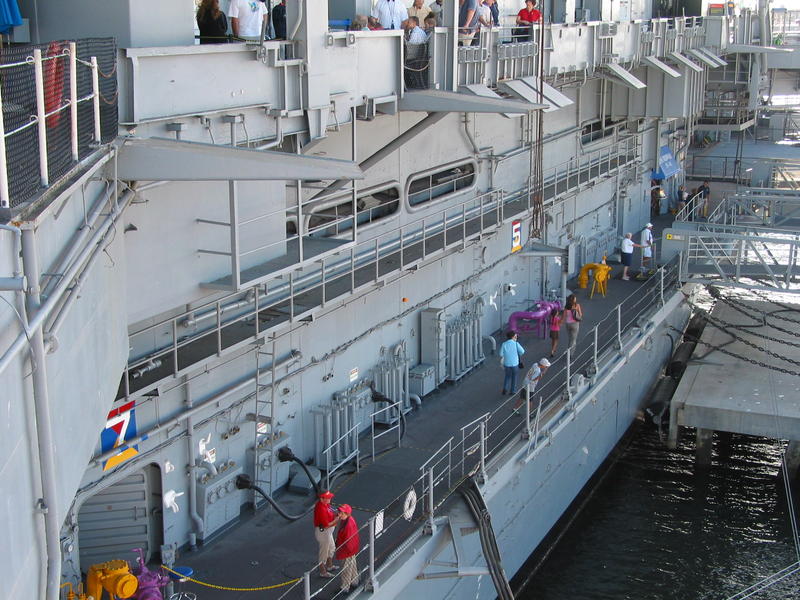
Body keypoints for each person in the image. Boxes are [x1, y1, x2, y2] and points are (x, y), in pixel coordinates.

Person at [313, 490, 339, 578]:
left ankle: (329, 566)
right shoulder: (320, 509)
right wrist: (336, 519)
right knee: (323, 552)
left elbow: (331, 511)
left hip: (327, 532)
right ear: (321, 498)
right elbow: (326, 525)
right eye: (327, 498)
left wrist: (336, 514)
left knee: (331, 548)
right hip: (323, 532)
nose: (330, 498)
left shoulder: (325, 504)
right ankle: (323, 572)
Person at [335, 504, 360, 593]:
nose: (339, 514)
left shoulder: (347, 525)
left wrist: (341, 549)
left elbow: (348, 541)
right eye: (339, 512)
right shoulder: (348, 520)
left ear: (347, 513)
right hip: (350, 550)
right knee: (352, 565)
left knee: (346, 568)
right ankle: (354, 581)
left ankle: (345, 587)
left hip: (346, 551)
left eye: (341, 513)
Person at [499, 331, 525, 395]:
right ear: (512, 337)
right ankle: (512, 391)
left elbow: (500, 354)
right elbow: (522, 351)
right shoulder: (516, 344)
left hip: (507, 364)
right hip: (515, 364)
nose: (516, 338)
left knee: (507, 376)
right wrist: (517, 354)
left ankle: (505, 388)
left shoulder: (504, 344)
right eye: (515, 337)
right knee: (514, 377)